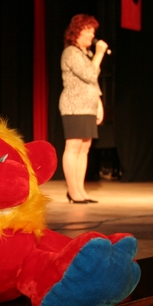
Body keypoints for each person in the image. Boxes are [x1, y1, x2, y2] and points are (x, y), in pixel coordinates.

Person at [59, 14, 107, 204]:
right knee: (73, 146)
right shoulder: (71, 52)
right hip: (74, 105)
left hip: (88, 105)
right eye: (88, 31)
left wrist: (99, 104)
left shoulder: (86, 54)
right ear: (77, 32)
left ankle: (80, 190)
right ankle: (72, 191)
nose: (92, 35)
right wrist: (100, 53)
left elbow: (93, 83)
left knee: (85, 147)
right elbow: (90, 74)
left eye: (93, 31)